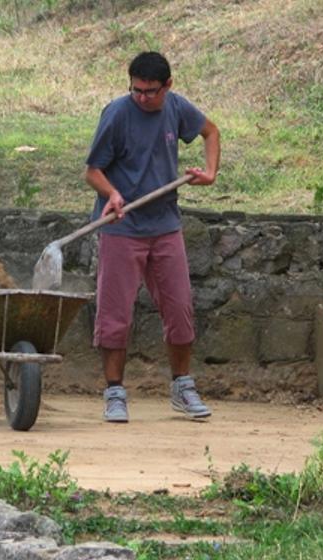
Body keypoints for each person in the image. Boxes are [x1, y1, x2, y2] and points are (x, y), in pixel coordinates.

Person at [85, 51, 221, 423]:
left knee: (179, 308)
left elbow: (210, 131)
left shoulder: (176, 108)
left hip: (165, 225)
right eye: (136, 90)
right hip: (121, 226)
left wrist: (210, 171)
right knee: (115, 314)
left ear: (168, 86)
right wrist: (111, 194)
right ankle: (114, 392)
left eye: (150, 91)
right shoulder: (116, 114)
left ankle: (182, 387)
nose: (143, 98)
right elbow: (93, 171)